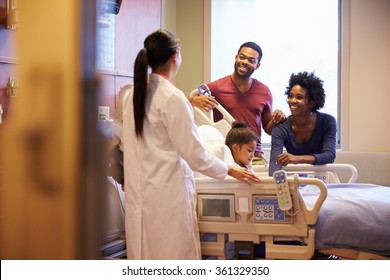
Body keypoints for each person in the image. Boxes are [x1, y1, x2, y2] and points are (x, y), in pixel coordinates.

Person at [122, 29, 260, 260]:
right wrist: (229, 168)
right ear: (175, 56)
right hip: (166, 195)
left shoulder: (132, 95)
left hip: (139, 195)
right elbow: (195, 155)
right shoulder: (172, 98)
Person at [189, 41, 286, 165]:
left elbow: (268, 128)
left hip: (254, 156)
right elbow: (185, 101)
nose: (245, 62)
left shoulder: (264, 92)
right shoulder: (217, 87)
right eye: (242, 57)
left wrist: (277, 119)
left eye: (251, 60)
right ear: (236, 57)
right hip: (227, 154)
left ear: (257, 65)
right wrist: (193, 101)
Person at [268, 71, 337, 176]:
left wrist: (297, 159)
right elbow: (275, 162)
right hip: (297, 178)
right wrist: (275, 185)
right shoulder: (281, 128)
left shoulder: (327, 122)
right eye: (290, 96)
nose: (292, 101)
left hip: (322, 177)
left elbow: (329, 155)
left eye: (299, 97)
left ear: (312, 103)